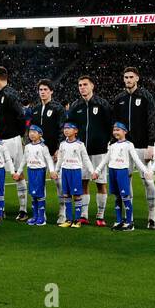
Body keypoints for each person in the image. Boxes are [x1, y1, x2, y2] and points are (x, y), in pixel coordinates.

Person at [111, 66, 155, 228]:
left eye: (131, 77)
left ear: (137, 78)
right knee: (126, 180)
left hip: (142, 146)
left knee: (148, 180)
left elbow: (152, 121)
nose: (128, 80)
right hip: (123, 147)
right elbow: (115, 124)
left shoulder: (146, 96)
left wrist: (151, 145)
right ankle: (127, 216)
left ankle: (151, 216)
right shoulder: (119, 99)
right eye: (126, 77)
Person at [66, 75, 112, 226]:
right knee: (83, 183)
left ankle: (100, 215)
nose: (82, 87)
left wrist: (105, 141)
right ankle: (84, 214)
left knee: (101, 183)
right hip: (81, 152)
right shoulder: (75, 106)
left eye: (85, 84)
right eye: (80, 85)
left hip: (99, 150)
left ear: (92, 86)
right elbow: (70, 126)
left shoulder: (102, 104)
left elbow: (110, 125)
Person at [0, 67, 29, 221]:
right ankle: (1, 209)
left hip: (12, 140)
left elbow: (20, 116)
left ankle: (23, 210)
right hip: (1, 141)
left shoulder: (10, 94)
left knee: (18, 173)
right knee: (0, 174)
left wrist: (20, 136)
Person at [99, 121, 152, 231]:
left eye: (118, 130)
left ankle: (129, 222)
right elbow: (105, 159)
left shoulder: (129, 145)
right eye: (114, 130)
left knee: (125, 197)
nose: (115, 132)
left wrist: (145, 170)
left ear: (125, 132)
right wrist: (97, 170)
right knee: (117, 197)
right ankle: (118, 220)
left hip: (122, 172)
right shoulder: (112, 145)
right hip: (112, 171)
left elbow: (136, 160)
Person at [56, 120, 97, 228]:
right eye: (65, 128)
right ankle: (69, 220)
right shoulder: (62, 144)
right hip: (65, 171)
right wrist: (55, 171)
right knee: (66, 195)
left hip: (75, 171)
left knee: (77, 195)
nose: (66, 130)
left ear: (76, 131)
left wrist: (92, 171)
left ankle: (77, 220)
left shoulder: (80, 145)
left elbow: (86, 159)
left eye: (69, 128)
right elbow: (60, 159)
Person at [16, 124, 58, 226]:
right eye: (30, 132)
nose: (32, 134)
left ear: (40, 135)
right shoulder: (27, 147)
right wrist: (18, 172)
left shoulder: (43, 147)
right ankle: (35, 216)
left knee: (40, 195)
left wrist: (52, 171)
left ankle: (41, 217)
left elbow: (49, 159)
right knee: (33, 195)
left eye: (34, 132)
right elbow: (24, 160)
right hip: (31, 171)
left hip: (40, 171)